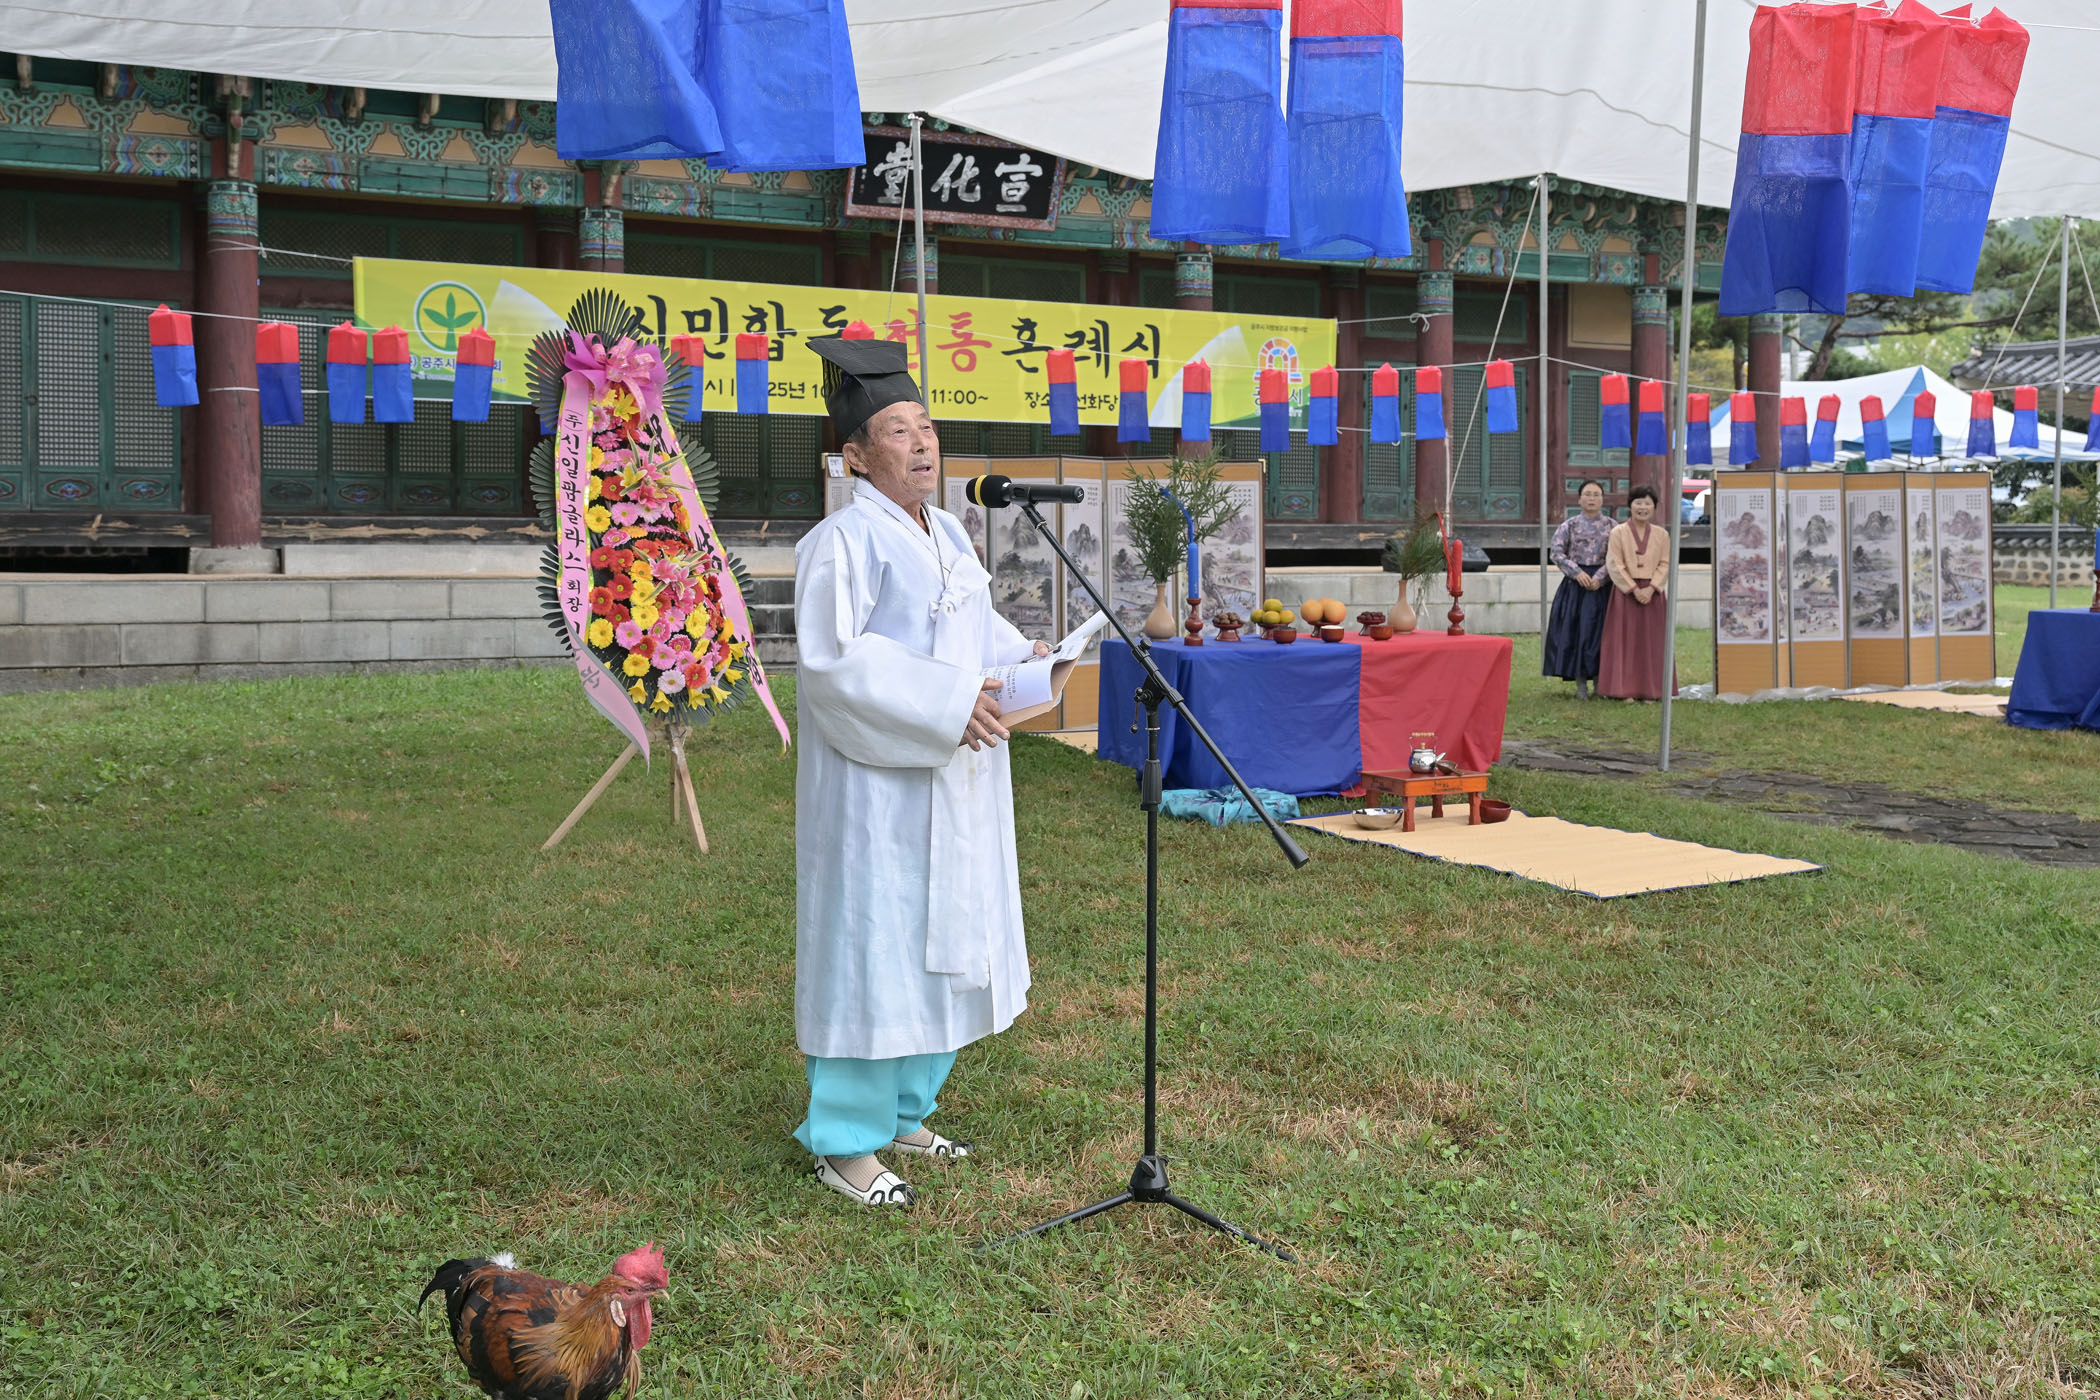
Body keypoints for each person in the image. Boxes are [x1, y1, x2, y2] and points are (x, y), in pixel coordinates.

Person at [790, 335, 1047, 1208]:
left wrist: (1025, 661)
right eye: (899, 431)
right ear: (857, 456)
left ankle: (906, 1111)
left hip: (957, 777)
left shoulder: (948, 531)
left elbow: (973, 631)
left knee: (945, 943)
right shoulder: (840, 542)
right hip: (879, 791)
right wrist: (946, 702)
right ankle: (844, 1144)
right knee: (875, 948)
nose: (923, 443)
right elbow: (834, 664)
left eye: (928, 427)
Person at [1597, 484, 1677, 701]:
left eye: (1647, 504)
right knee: (1625, 641)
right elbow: (1614, 563)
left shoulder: (1662, 535)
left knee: (1652, 642)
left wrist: (1651, 588)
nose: (1643, 508)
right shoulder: (1618, 532)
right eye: (1638, 503)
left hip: (1653, 593)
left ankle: (1652, 690)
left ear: (1655, 508)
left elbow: (1665, 563)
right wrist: (1633, 589)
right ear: (1630, 506)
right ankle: (1624, 690)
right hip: (1625, 593)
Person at [1543, 481, 1615, 698]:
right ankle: (1580, 683)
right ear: (1579, 499)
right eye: (1587, 494)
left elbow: (1618, 556)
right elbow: (1556, 553)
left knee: (1601, 633)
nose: (1591, 498)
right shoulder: (1569, 525)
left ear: (1602, 499)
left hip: (1603, 586)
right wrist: (1577, 573)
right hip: (1575, 587)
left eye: (1596, 494)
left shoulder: (1613, 527)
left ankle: (1601, 682)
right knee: (1577, 632)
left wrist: (1601, 577)